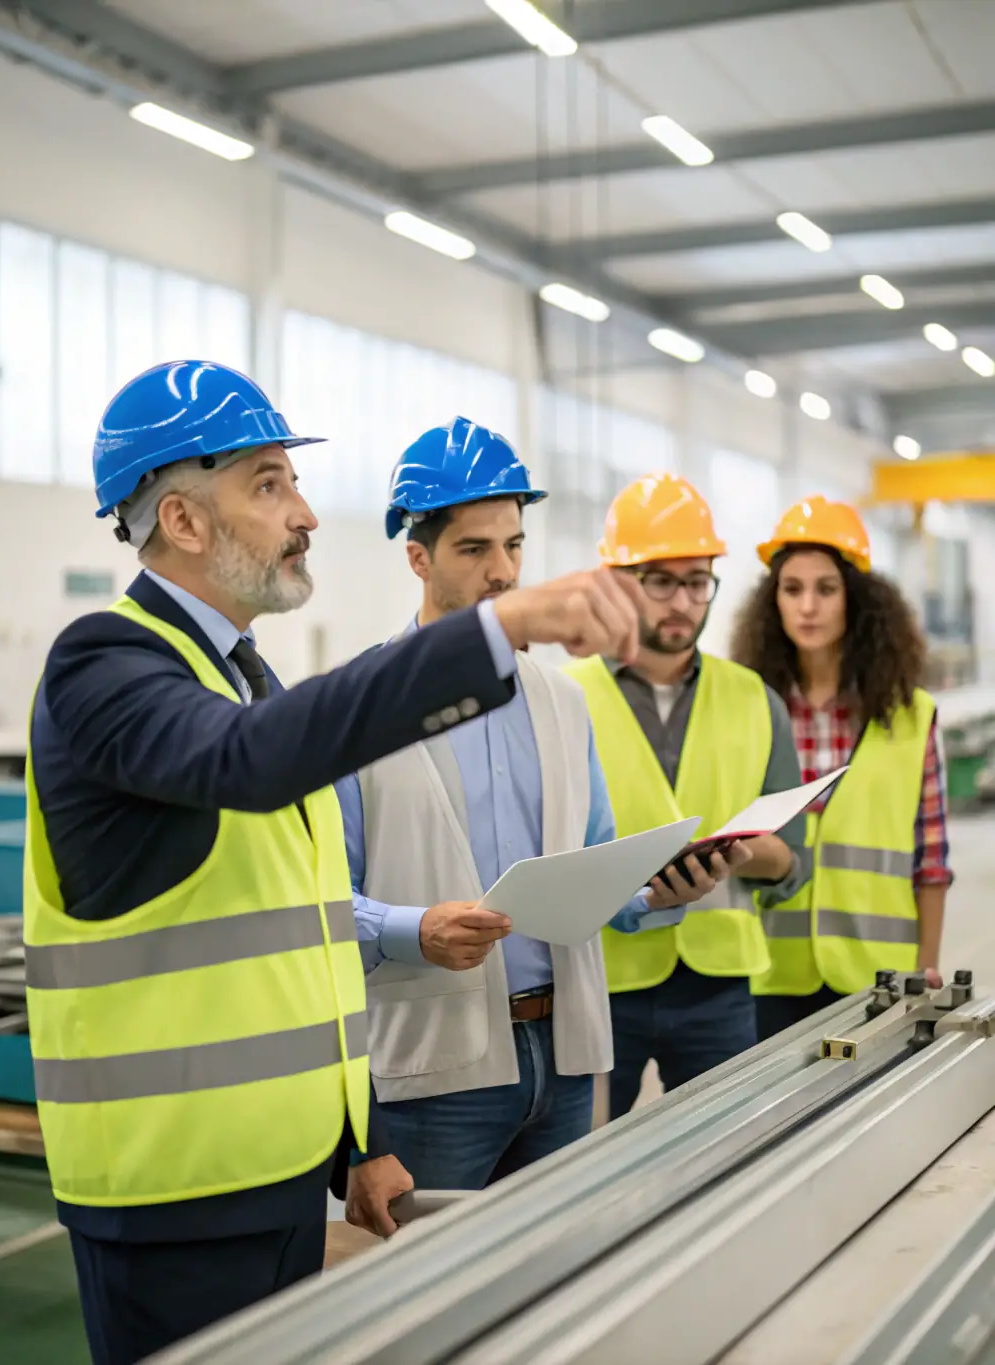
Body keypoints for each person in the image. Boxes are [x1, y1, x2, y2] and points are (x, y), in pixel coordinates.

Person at [22, 362, 649, 1365]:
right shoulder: (106, 662)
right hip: (170, 1188)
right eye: (270, 484)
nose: (303, 512)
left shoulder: (240, 679)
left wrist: (353, 1148)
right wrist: (494, 634)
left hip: (272, 1173)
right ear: (183, 521)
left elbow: (300, 939)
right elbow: (249, 764)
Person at [335, 419, 731, 1189]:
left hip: (568, 1057)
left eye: (513, 545)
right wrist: (413, 930)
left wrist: (661, 892)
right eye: (475, 549)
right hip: (435, 1071)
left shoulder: (559, 700)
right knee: (433, 1293)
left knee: (549, 1284)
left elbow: (599, 871)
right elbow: (319, 907)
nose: (503, 570)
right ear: (417, 555)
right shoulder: (360, 706)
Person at [565, 472, 809, 1120]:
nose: (683, 601)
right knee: (576, 1175)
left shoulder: (758, 700)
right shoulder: (563, 697)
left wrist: (757, 856)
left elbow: (794, 864)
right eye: (662, 581)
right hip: (600, 980)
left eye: (697, 582)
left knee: (726, 1162)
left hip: (719, 987)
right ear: (620, 582)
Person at [731, 495, 951, 1038]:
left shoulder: (910, 716)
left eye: (826, 589)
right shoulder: (747, 710)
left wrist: (927, 964)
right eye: (792, 589)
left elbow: (932, 857)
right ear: (773, 602)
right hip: (768, 972)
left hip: (878, 971)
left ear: (856, 600)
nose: (808, 606)